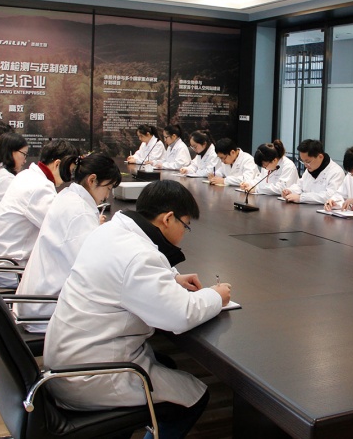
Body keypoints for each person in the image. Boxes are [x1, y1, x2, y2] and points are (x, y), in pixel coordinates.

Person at [44, 180, 231, 439]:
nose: (184, 233)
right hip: (90, 376)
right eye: (185, 226)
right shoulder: (138, 255)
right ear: (168, 218)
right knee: (194, 397)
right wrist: (216, 295)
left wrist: (171, 280)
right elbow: (180, 315)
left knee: (165, 362)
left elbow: (122, 279)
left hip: (68, 359)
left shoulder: (110, 231)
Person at [14, 152, 121, 333]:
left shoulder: (68, 196)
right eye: (108, 188)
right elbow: (90, 270)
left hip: (36, 301)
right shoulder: (80, 212)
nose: (107, 196)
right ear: (92, 180)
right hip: (46, 311)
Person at [0, 140, 79, 288]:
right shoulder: (39, 187)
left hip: (4, 262)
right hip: (14, 271)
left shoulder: (28, 175)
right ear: (57, 164)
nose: (69, 176)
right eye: (70, 170)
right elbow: (62, 228)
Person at [282, 139, 345, 204]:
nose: (305, 165)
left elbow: (330, 196)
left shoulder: (336, 172)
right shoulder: (310, 169)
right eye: (303, 161)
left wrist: (301, 198)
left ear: (320, 156)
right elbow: (300, 185)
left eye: (308, 161)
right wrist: (290, 191)